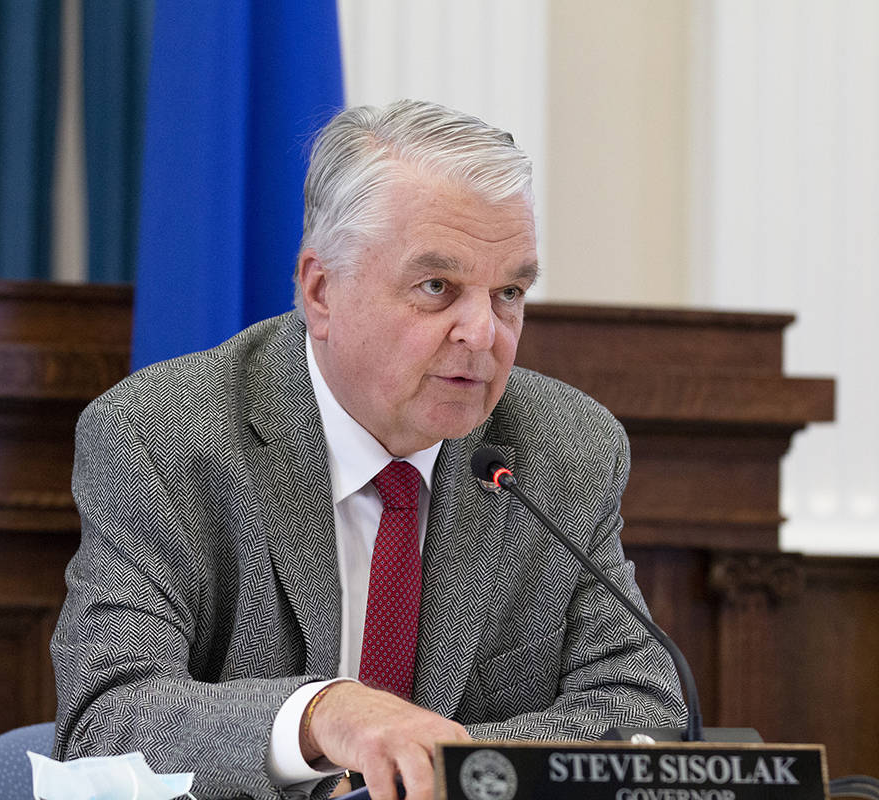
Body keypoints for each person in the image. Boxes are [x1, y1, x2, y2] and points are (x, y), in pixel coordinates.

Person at [51, 99, 685, 800]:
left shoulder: (563, 450)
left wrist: (448, 766)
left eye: (509, 292)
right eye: (437, 288)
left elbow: (640, 713)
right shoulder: (164, 438)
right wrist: (322, 716)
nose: (483, 333)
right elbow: (105, 718)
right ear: (321, 291)